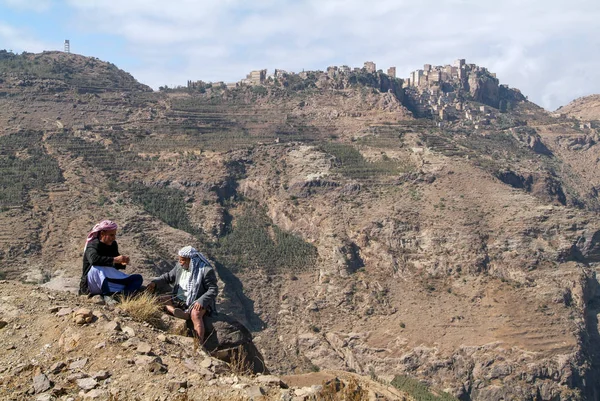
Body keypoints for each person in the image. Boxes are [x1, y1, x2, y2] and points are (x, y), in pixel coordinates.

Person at [147, 246, 218, 342]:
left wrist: (201, 301)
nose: (180, 262)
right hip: (179, 299)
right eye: (180, 259)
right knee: (160, 299)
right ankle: (178, 313)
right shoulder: (179, 267)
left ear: (191, 260)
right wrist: (155, 282)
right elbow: (168, 277)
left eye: (183, 260)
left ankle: (199, 343)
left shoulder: (205, 270)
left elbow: (213, 289)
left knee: (196, 315)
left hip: (196, 301)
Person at [78, 220, 142, 299]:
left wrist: (122, 261)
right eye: (111, 235)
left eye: (114, 235)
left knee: (137, 278)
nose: (114, 238)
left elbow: (115, 265)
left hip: (108, 278)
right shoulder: (92, 245)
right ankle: (107, 296)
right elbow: (94, 260)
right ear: (102, 234)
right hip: (92, 283)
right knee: (97, 268)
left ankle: (123, 296)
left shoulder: (113, 244)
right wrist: (115, 259)